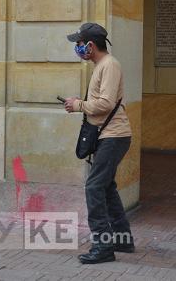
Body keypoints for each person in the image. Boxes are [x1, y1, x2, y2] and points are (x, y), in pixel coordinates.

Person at [64, 23, 134, 264]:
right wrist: (79, 103)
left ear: (90, 45)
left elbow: (105, 103)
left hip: (113, 136)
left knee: (94, 187)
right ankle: (123, 240)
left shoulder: (110, 65)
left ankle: (103, 246)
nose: (77, 48)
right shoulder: (101, 66)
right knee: (105, 187)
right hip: (109, 135)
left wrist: (78, 105)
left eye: (79, 44)